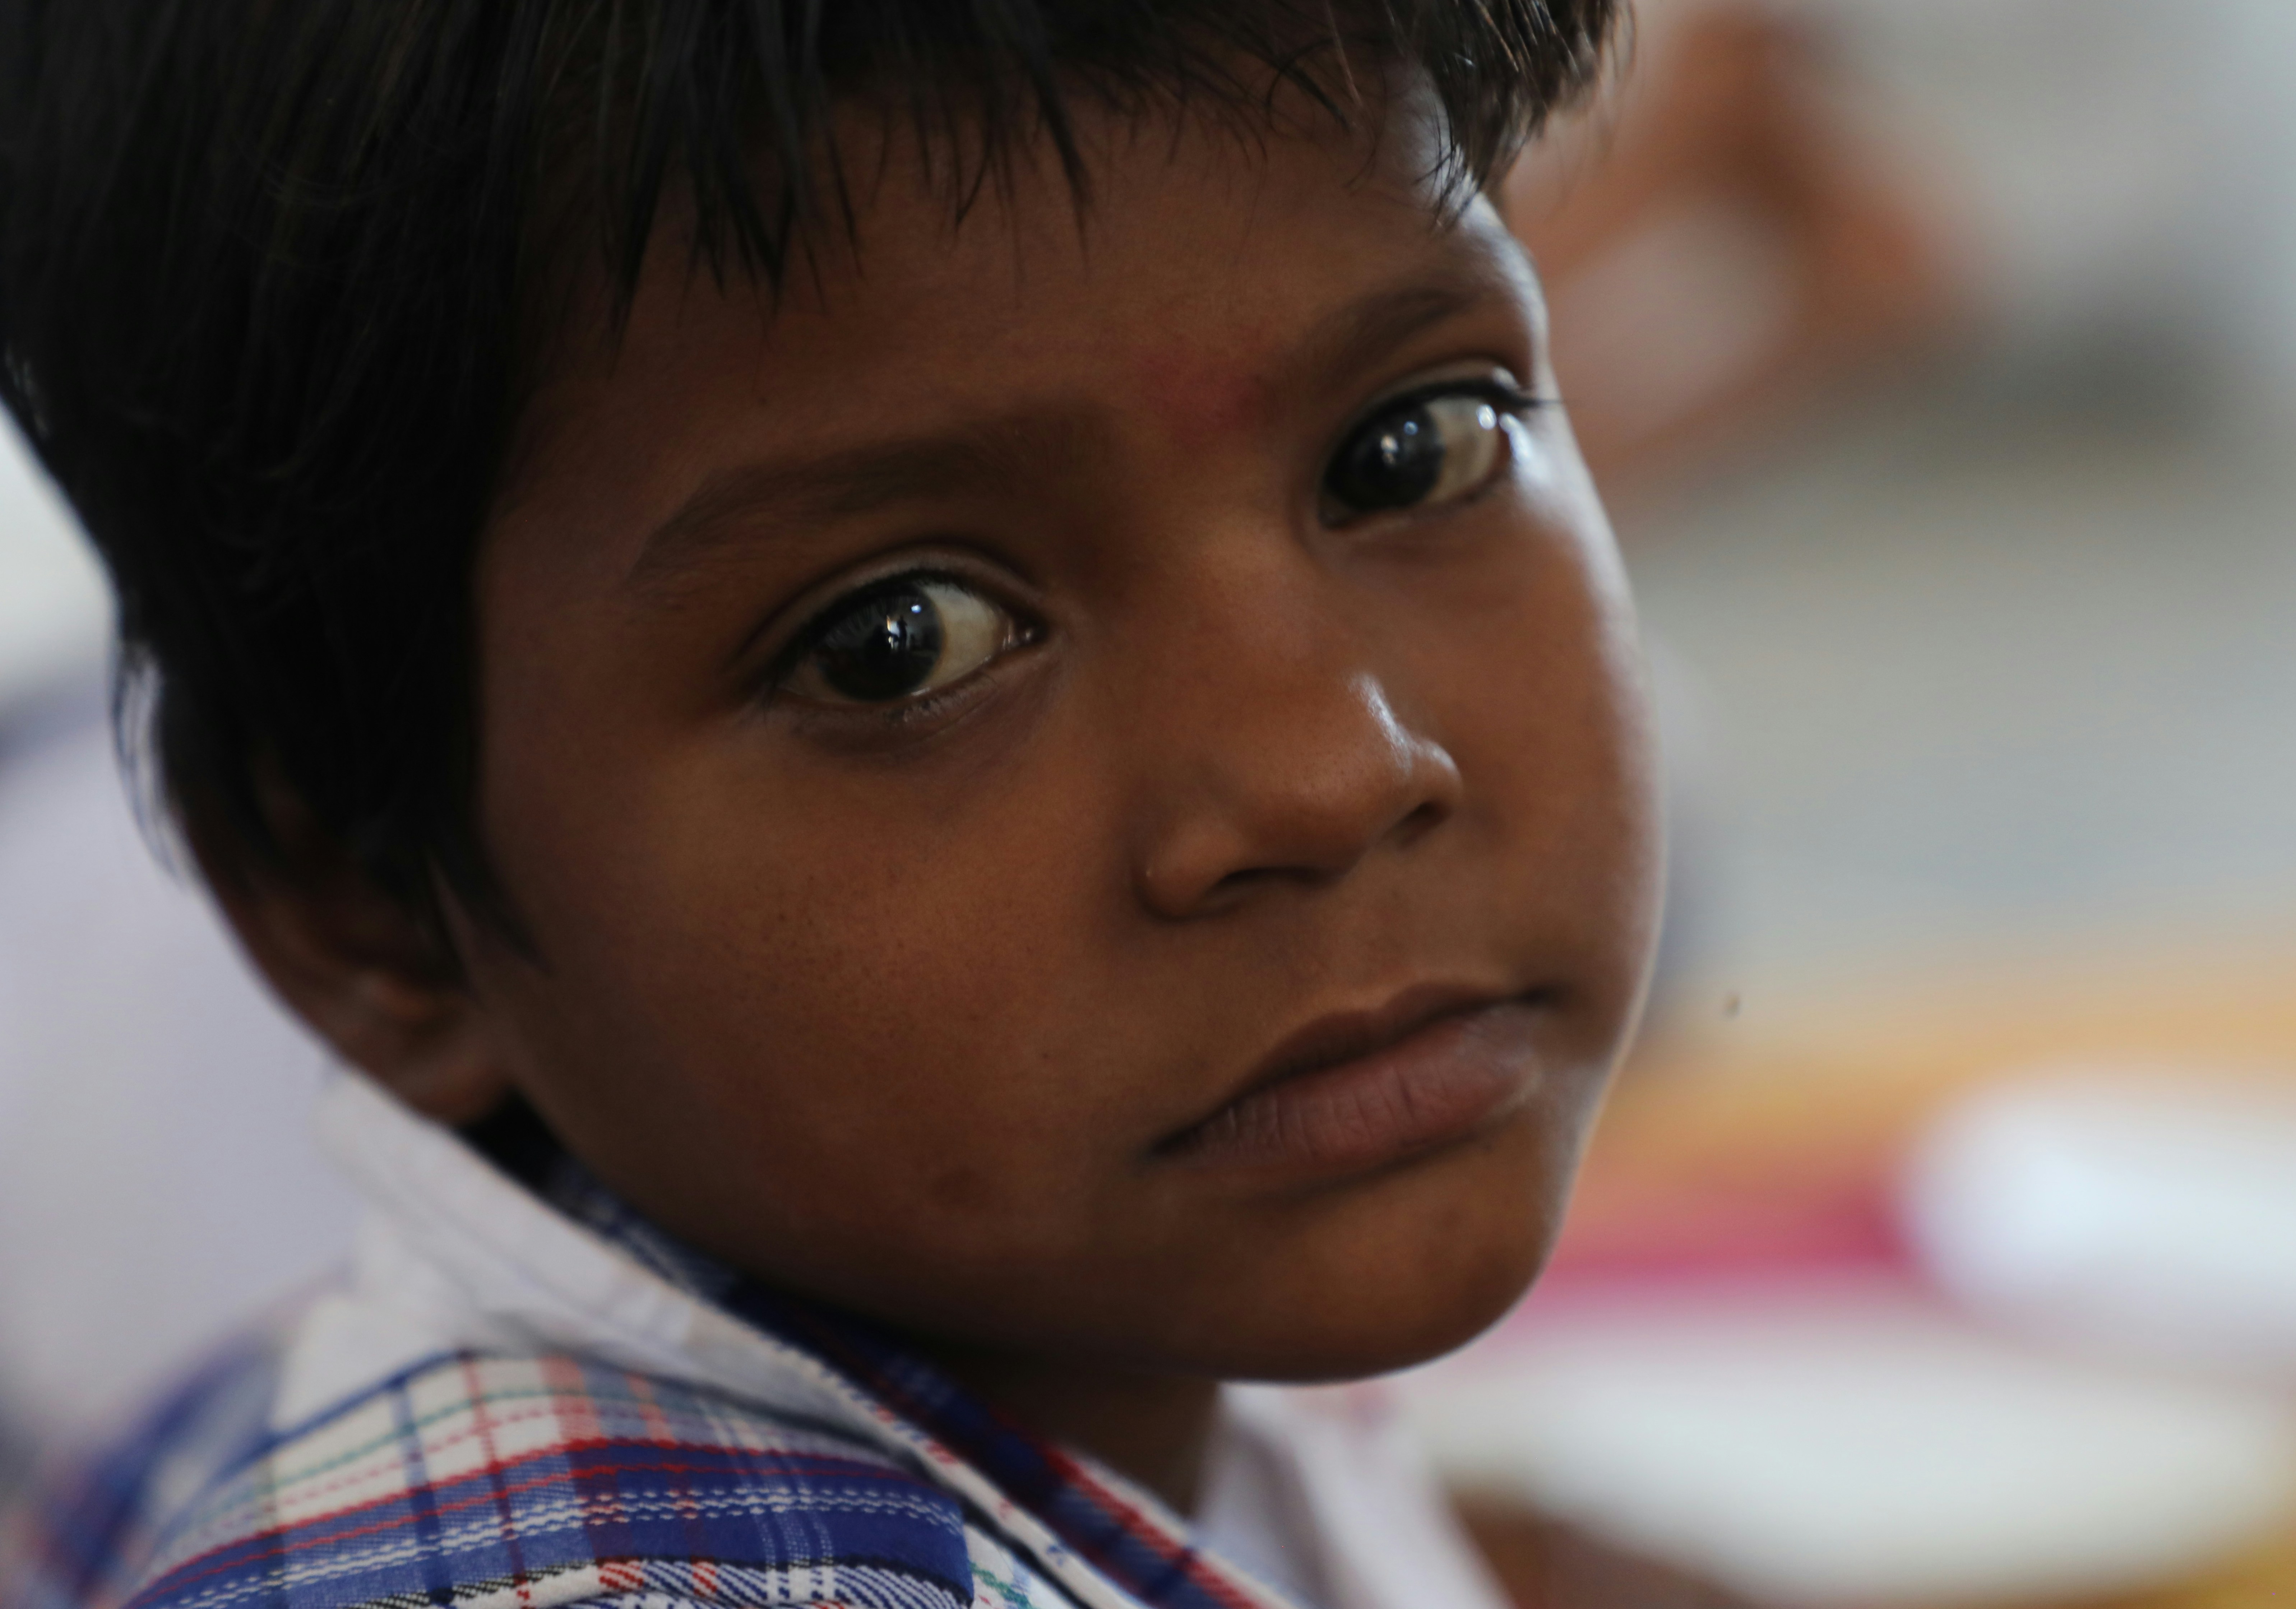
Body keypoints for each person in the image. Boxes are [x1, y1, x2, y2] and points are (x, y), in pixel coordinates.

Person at [0, 3, 1662, 1606]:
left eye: (1411, 446)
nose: (1334, 772)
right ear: (368, 909)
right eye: (900, 645)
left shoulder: (1121, 1327)